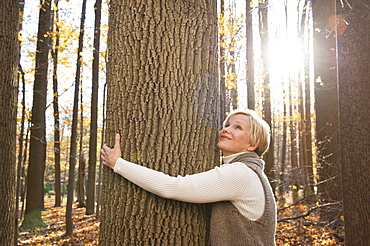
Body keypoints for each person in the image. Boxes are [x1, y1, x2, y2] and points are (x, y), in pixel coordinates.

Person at [101, 108, 277, 245]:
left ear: (253, 144)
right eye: (227, 125)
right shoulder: (250, 172)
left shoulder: (241, 173)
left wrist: (118, 164)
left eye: (237, 127)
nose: (225, 130)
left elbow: (174, 187)